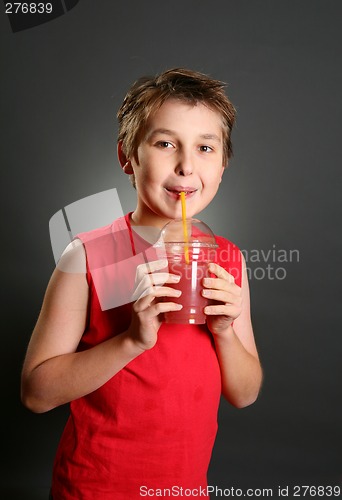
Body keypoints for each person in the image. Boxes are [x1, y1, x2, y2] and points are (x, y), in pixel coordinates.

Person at [21, 68, 263, 499]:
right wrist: (132, 340)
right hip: (94, 486)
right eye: (165, 143)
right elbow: (36, 394)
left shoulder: (228, 260)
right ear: (128, 156)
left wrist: (224, 331)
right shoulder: (86, 257)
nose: (187, 164)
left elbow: (244, 394)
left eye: (205, 147)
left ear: (222, 166)